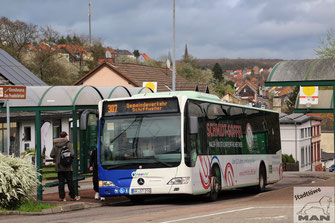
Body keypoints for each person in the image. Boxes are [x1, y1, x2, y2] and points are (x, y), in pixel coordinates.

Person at [50, 131, 80, 201]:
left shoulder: (56, 144)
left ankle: (62, 197)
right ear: (66, 136)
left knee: (61, 182)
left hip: (59, 167)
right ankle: (72, 196)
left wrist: (57, 158)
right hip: (68, 167)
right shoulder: (68, 144)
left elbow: (51, 154)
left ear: (60, 136)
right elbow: (72, 154)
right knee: (70, 182)